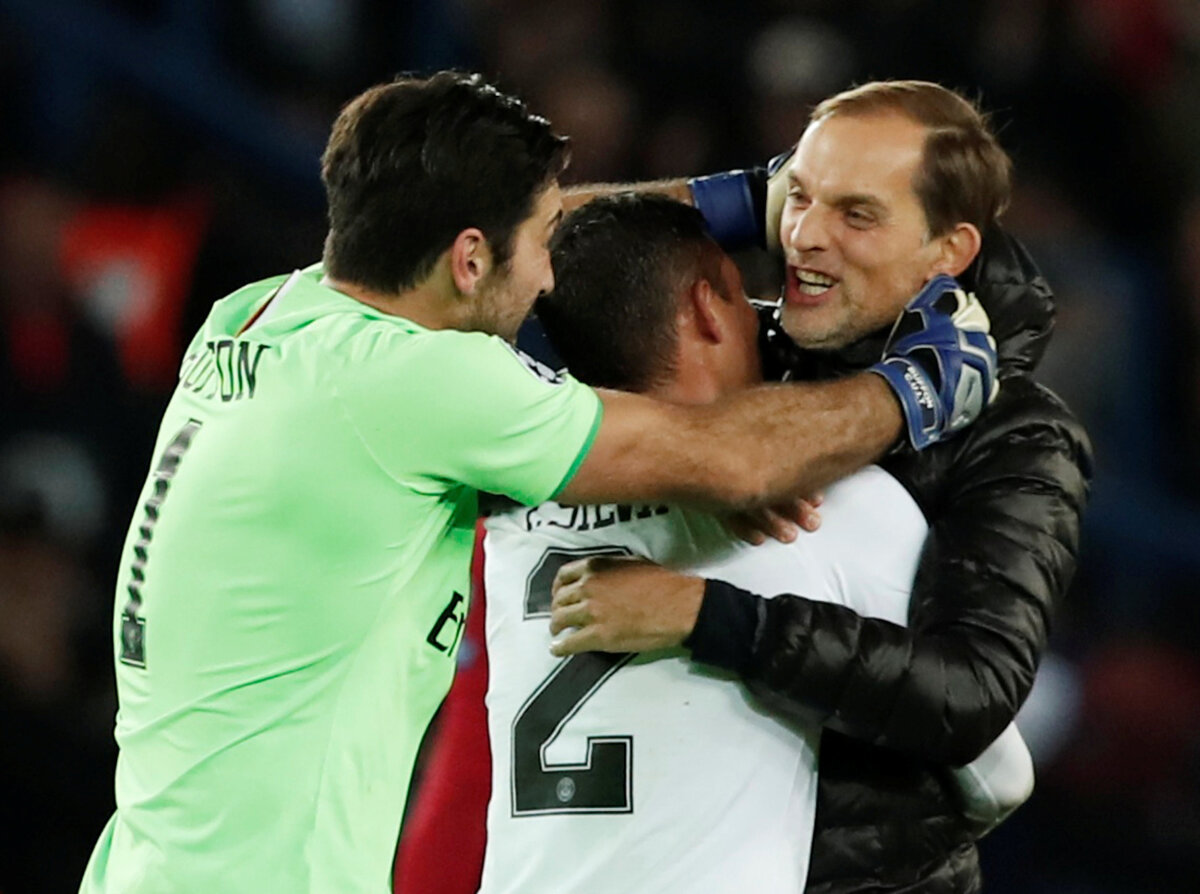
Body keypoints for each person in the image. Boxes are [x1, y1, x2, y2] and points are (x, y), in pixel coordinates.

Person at [76, 72, 998, 894]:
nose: (554, 276)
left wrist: (742, 201)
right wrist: (915, 385)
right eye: (543, 241)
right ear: (470, 259)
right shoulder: (421, 386)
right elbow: (733, 460)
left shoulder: (261, 315)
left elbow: (529, 243)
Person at [550, 80, 1093, 893]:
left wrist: (707, 616)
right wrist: (734, 201)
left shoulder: (1017, 434)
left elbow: (969, 695)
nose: (804, 237)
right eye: (797, 197)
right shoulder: (734, 349)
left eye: (857, 214)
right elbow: (515, 249)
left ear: (948, 251)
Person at [476, 193, 1033, 893]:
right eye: (743, 298)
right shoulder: (837, 508)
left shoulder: (506, 510)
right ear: (707, 309)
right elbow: (1000, 774)